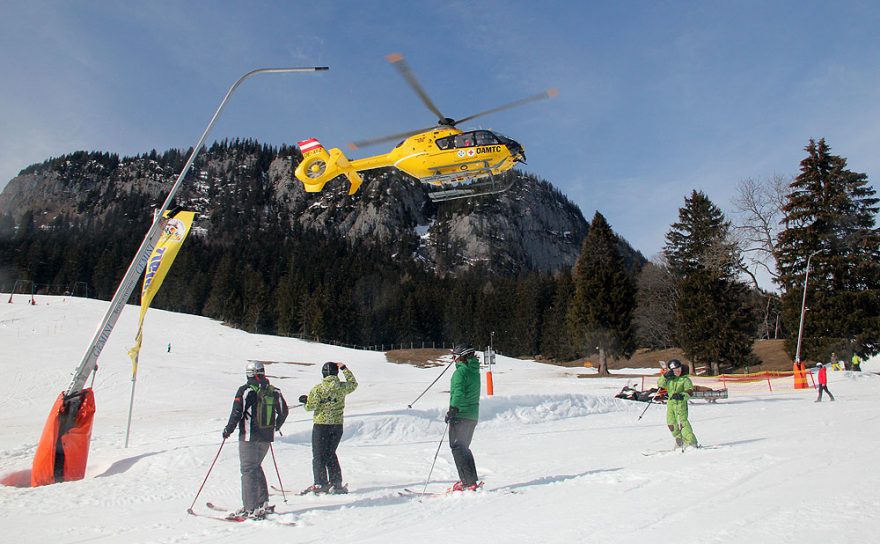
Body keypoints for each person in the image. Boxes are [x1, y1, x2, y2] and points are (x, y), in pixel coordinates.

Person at [222, 361, 289, 519]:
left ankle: (250, 508)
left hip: (249, 437)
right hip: (266, 437)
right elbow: (284, 412)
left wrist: (228, 430)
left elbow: (237, 412)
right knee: (255, 467)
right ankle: (261, 502)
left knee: (248, 470)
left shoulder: (245, 390)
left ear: (249, 373)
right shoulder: (274, 391)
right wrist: (275, 427)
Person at [299, 362, 357, 494]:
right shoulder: (342, 387)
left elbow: (310, 407)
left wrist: (305, 401)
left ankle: (321, 483)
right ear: (336, 373)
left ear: (323, 373)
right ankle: (336, 483)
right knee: (331, 454)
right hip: (337, 426)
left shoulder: (318, 389)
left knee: (319, 455)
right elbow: (353, 383)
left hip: (321, 426)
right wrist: (344, 368)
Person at [446, 343, 482, 492]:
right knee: (463, 448)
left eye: (455, 356)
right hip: (472, 415)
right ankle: (470, 480)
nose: (454, 359)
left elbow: (459, 392)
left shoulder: (460, 373)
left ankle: (468, 483)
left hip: (460, 415)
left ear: (462, 356)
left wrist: (453, 409)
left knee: (457, 447)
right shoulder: (474, 371)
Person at [657, 359, 698, 449]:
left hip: (680, 404)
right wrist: (665, 376)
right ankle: (680, 440)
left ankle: (691, 442)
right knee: (671, 423)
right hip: (671, 404)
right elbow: (660, 385)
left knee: (682, 424)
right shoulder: (669, 379)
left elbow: (690, 391)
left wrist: (682, 395)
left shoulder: (685, 379)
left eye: (679, 369)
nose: (678, 371)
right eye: (675, 370)